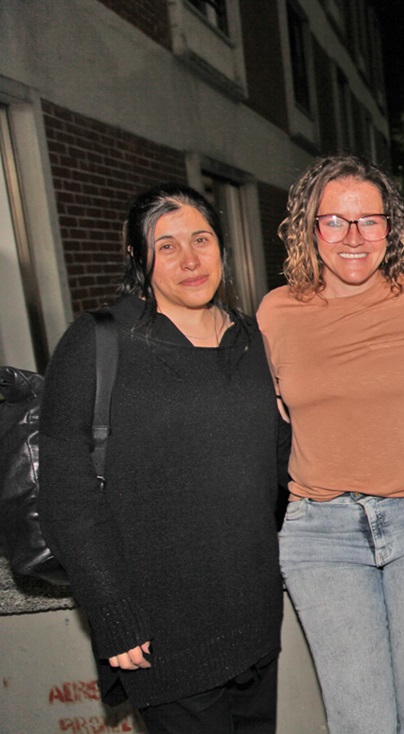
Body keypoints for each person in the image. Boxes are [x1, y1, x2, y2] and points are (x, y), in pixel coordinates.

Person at [38, 183, 288, 733]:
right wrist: (111, 613)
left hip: (253, 621)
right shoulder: (98, 342)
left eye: (201, 238)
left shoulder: (250, 341)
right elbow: (65, 493)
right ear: (136, 257)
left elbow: (270, 468)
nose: (191, 259)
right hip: (163, 633)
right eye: (167, 245)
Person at [256, 155, 404, 734]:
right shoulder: (275, 313)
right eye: (335, 221)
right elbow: (258, 417)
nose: (353, 238)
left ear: (390, 228)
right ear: (310, 228)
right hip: (320, 533)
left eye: (369, 221)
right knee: (359, 720)